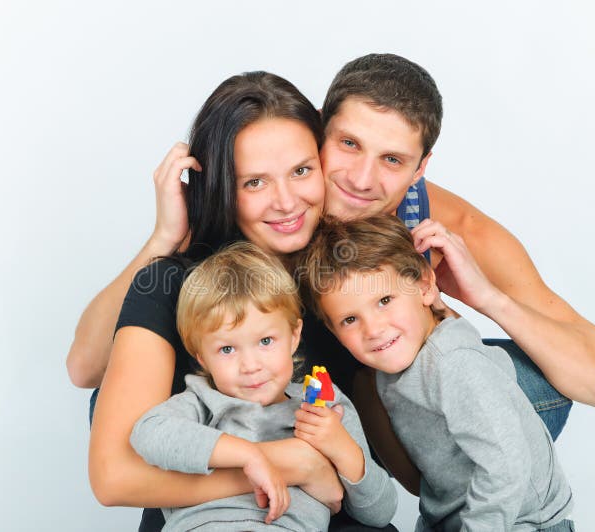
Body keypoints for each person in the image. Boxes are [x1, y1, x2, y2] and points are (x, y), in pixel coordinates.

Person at [86, 71, 394, 530]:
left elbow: (386, 484)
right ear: (222, 189)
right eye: (254, 183)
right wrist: (290, 464)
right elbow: (113, 478)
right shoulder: (176, 285)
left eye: (301, 171)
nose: (287, 202)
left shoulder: (347, 278)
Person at [297, 214, 575, 531]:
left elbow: (506, 465)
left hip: (520, 523)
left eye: (385, 300)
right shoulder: (393, 366)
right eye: (349, 320)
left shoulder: (453, 363)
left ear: (425, 287)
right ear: (334, 332)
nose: (373, 329)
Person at [130, 241, 396, 530]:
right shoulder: (201, 402)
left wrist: (343, 449)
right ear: (202, 358)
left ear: (294, 336)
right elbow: (148, 431)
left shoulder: (323, 408)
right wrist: (248, 456)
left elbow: (380, 513)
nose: (250, 366)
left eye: (266, 341)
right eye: (227, 349)